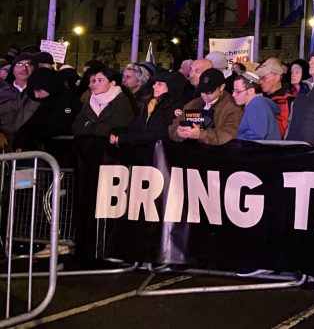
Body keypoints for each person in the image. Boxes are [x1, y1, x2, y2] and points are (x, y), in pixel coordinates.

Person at [72, 68, 136, 262]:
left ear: (112, 83)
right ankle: (86, 248)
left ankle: (105, 248)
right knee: (87, 203)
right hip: (88, 162)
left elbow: (118, 125)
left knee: (106, 204)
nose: (94, 84)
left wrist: (91, 129)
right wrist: (95, 129)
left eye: (99, 80)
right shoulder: (89, 102)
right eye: (92, 81)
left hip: (110, 162)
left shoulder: (122, 102)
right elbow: (76, 126)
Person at [12, 68, 81, 152]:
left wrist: (35, 138)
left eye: (39, 90)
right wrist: (20, 141)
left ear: (48, 85)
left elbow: (62, 126)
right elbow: (33, 123)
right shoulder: (47, 102)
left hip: (61, 154)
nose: (36, 95)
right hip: (44, 154)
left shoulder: (69, 101)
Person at [168, 68, 243, 145]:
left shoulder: (233, 108)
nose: (204, 95)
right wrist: (177, 131)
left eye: (209, 92)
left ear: (221, 87)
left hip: (220, 154)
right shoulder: (193, 104)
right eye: (202, 91)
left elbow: (229, 134)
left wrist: (200, 134)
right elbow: (174, 126)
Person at [112, 70, 186, 147]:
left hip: (164, 153)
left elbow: (159, 133)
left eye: (160, 84)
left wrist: (126, 138)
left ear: (171, 87)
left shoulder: (175, 107)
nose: (154, 86)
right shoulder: (152, 102)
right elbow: (137, 125)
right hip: (145, 151)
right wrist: (118, 132)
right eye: (155, 83)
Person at [0, 53, 39, 150]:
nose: (24, 69)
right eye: (19, 64)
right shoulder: (2, 92)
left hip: (31, 149)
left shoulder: (40, 92)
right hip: (4, 148)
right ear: (13, 69)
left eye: (29, 65)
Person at [231, 72, 280, 141]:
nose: (233, 94)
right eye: (233, 91)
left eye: (238, 91)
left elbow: (256, 135)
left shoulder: (257, 104)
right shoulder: (260, 103)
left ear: (251, 91)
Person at [256, 58, 294, 138]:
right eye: (260, 78)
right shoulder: (261, 96)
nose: (260, 81)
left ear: (277, 77)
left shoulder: (285, 100)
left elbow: (281, 132)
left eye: (264, 78)